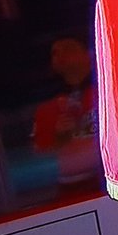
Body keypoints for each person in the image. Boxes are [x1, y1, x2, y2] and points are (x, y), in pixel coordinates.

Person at [32, 36, 102, 190]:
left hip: (116, 182)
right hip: (72, 191)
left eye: (69, 49)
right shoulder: (47, 108)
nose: (61, 55)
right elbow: (40, 162)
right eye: (55, 53)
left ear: (89, 53)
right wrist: (60, 138)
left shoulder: (111, 92)